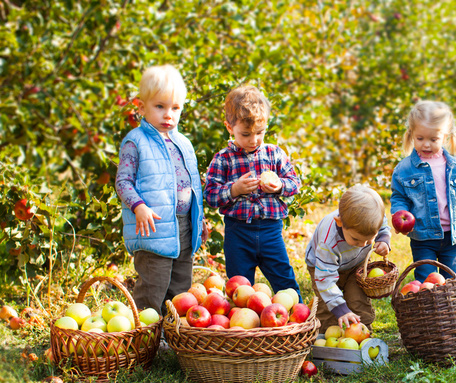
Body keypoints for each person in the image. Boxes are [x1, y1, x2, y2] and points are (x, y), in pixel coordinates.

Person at [115, 64, 208, 314]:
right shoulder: (136, 141)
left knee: (181, 286)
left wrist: (200, 220)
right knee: (153, 285)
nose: (169, 114)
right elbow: (123, 181)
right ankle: (146, 337)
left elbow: (192, 187)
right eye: (160, 106)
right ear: (141, 106)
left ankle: (173, 334)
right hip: (152, 226)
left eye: (175, 108)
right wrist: (139, 206)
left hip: (184, 225)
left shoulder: (184, 143)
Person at [204, 85, 302, 297]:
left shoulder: (274, 153)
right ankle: (243, 327)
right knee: (239, 288)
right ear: (229, 127)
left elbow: (295, 182)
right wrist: (233, 190)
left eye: (260, 132)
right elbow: (210, 194)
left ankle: (298, 321)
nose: (254, 140)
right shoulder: (223, 158)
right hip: (238, 232)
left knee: (284, 279)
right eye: (246, 134)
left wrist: (279, 186)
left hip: (270, 231)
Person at [390, 100, 456, 283]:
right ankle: (428, 311)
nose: (426, 145)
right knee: (426, 281)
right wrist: (399, 215)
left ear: (445, 137)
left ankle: (454, 310)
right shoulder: (404, 169)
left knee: (453, 280)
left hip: (451, 237)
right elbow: (399, 197)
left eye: (433, 139)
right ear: (411, 135)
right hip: (422, 236)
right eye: (420, 138)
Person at [305, 185, 391, 332]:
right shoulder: (328, 241)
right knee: (327, 307)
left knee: (358, 298)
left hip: (356, 264)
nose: (363, 245)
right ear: (340, 223)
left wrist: (383, 238)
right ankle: (327, 335)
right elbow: (325, 280)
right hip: (322, 266)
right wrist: (340, 309)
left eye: (369, 239)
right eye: (356, 239)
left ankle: (363, 333)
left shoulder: (374, 218)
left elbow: (382, 225)